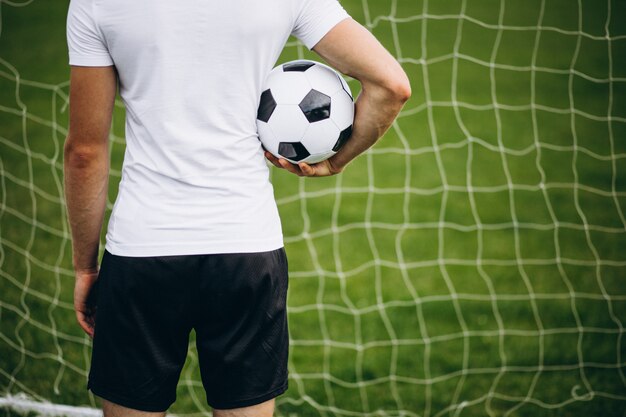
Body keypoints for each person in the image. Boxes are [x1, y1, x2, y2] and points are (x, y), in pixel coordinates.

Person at [64, 0, 411, 416]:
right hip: (246, 248)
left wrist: (86, 268)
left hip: (143, 250)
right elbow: (392, 86)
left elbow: (85, 151)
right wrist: (336, 161)